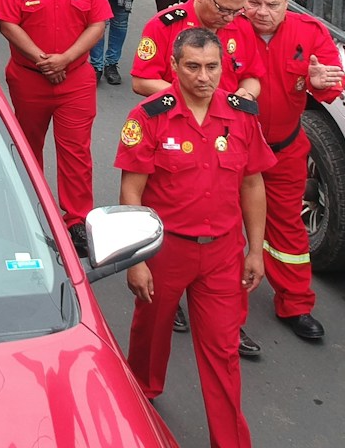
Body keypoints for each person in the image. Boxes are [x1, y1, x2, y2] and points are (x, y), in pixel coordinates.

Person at [117, 26, 273, 448]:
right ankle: (142, 397)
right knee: (151, 331)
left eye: (212, 67)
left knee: (223, 354)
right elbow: (132, 190)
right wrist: (137, 260)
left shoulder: (241, 114)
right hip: (166, 250)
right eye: (192, 67)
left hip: (223, 253)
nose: (203, 77)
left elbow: (253, 183)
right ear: (174, 67)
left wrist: (255, 250)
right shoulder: (150, 116)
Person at [0, 0, 112, 250]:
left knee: (76, 152)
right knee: (28, 149)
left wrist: (65, 59)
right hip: (30, 79)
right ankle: (30, 212)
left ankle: (77, 221)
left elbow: (97, 24)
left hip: (74, 81)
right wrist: (42, 60)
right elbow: (8, 24)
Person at [241, 0, 345, 342]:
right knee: (216, 230)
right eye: (253, 3)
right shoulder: (226, 32)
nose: (262, 12)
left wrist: (322, 84)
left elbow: (333, 80)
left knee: (288, 231)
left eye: (272, 4)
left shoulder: (310, 33)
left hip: (284, 152)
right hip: (231, 153)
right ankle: (219, 305)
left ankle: (296, 305)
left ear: (287, 3)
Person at [131, 0, 263, 99]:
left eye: (236, 11)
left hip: (227, 116)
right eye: (222, 9)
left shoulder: (242, 25)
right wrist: (196, 98)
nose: (229, 18)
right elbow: (141, 82)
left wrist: (247, 96)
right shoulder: (164, 25)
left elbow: (252, 76)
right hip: (178, 114)